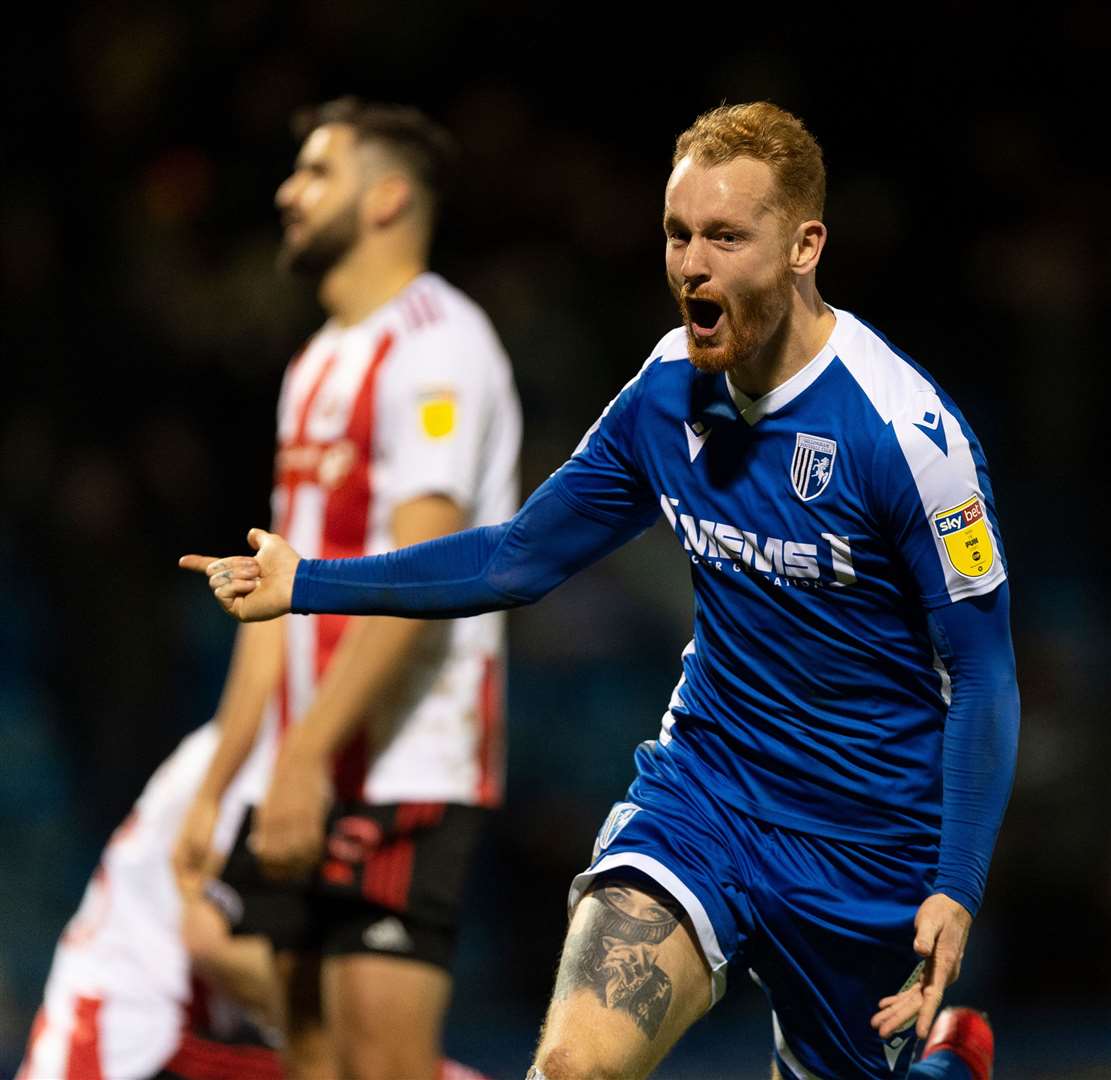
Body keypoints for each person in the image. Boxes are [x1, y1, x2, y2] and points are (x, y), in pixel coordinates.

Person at [183, 102, 1017, 1080]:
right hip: (705, 799)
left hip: (863, 846)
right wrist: (309, 582)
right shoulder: (667, 391)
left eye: (723, 236)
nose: (689, 264)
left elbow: (982, 672)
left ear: (803, 245)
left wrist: (954, 886)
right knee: (574, 1068)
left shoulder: (910, 439)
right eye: (675, 233)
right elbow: (518, 557)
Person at [172, 98, 520, 1080]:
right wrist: (224, 776)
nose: (288, 192)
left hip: (410, 760)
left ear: (386, 197)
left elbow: (427, 572)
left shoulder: (440, 344)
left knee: (384, 1064)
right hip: (309, 761)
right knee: (313, 1061)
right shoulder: (318, 362)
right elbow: (273, 594)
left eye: (316, 171)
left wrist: (305, 757)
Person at [17, 721, 285, 1080]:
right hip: (128, 1040)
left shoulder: (239, 746)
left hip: (140, 1030)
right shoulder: (251, 758)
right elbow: (210, 942)